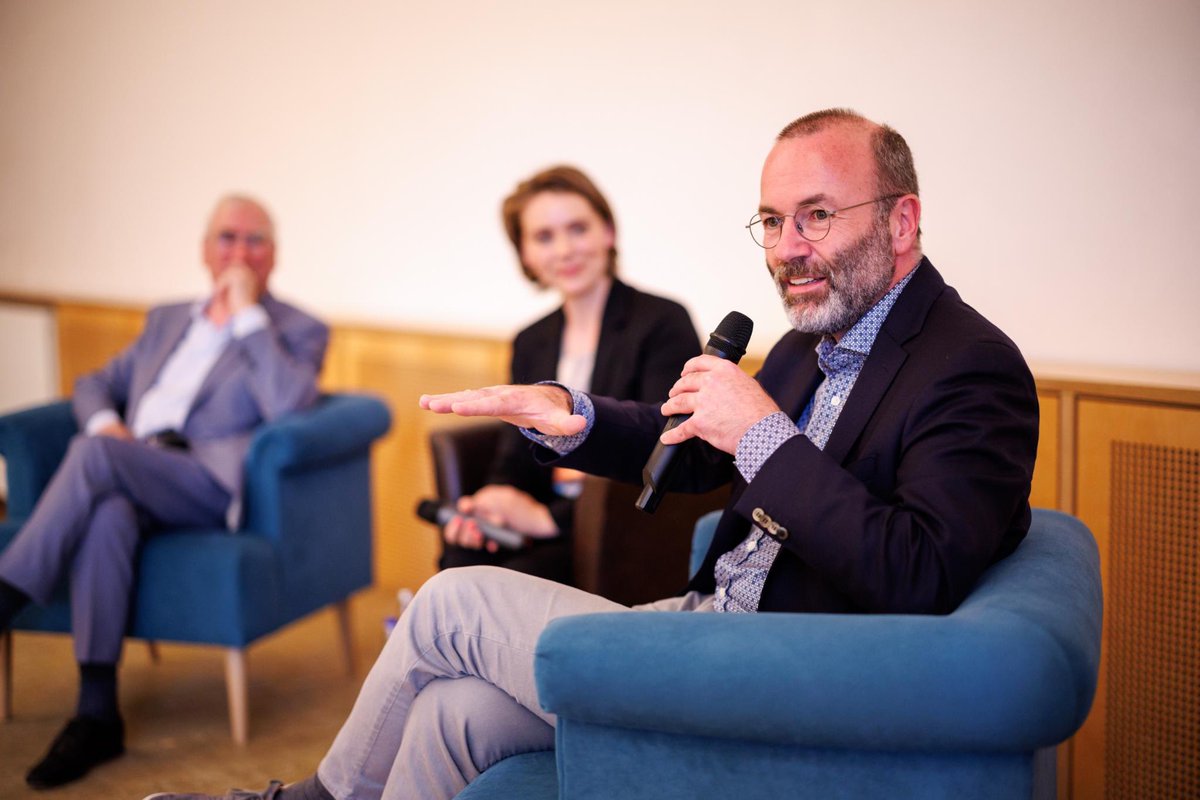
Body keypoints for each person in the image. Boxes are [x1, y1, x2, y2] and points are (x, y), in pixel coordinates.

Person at [145, 108, 1038, 800]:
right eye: (770, 221)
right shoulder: (811, 340)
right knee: (452, 714)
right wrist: (573, 418)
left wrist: (763, 431)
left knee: (451, 603)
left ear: (902, 220)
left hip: (786, 673)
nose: (787, 250)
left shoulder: (972, 367)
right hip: (710, 622)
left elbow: (917, 572)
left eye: (816, 216)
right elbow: (692, 457)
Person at [0, 194, 329, 790]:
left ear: (273, 255)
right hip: (128, 466)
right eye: (227, 238)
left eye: (255, 240)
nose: (240, 251)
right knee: (107, 514)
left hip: (202, 483)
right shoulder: (168, 319)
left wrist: (250, 317)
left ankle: (7, 588)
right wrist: (109, 426)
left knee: (96, 458)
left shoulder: (297, 329)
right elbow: (95, 383)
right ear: (205, 250)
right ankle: (96, 712)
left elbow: (289, 403)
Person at [436, 165, 700, 584]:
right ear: (525, 254)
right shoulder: (531, 340)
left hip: (620, 527)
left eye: (577, 228)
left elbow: (665, 447)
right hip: (539, 516)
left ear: (608, 233)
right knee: (458, 560)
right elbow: (514, 450)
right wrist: (493, 501)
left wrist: (548, 520)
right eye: (544, 237)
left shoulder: (662, 321)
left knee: (504, 584)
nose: (564, 250)